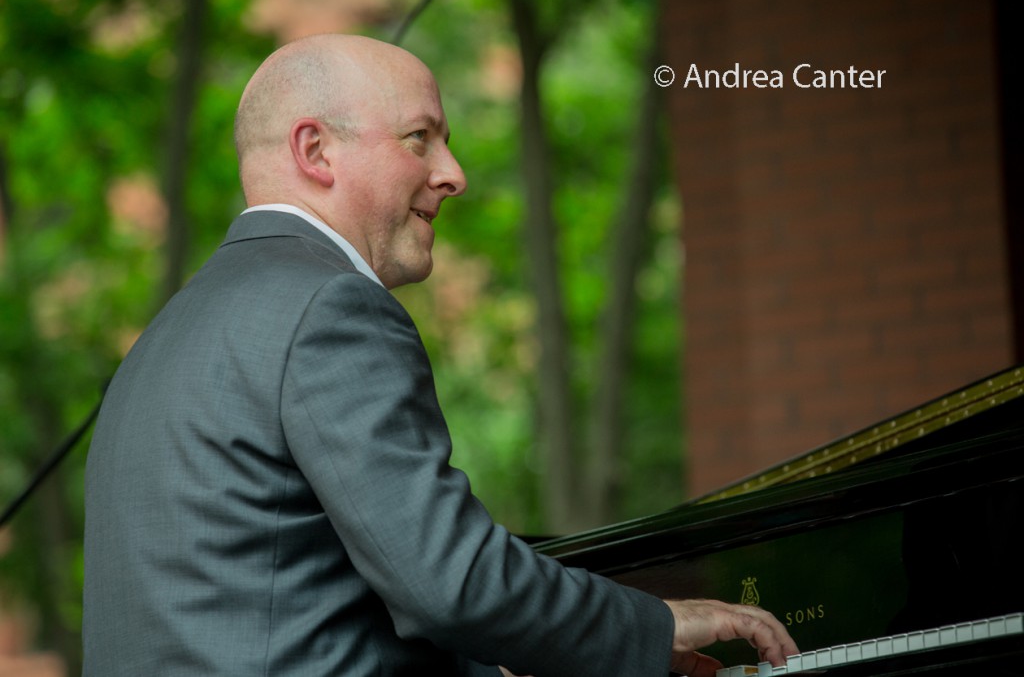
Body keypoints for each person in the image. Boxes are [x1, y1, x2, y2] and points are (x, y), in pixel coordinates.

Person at [82, 33, 797, 676]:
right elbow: (451, 585)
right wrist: (657, 622)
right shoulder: (331, 305)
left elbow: (283, 606)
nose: (454, 173)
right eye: (420, 138)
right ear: (315, 150)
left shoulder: (161, 344)